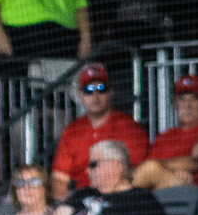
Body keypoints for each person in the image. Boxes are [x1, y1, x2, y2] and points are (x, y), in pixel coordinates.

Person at [49, 64, 149, 201]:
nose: (95, 95)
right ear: (80, 95)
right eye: (88, 90)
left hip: (115, 197)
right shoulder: (72, 130)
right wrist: (64, 202)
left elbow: (133, 174)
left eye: (101, 88)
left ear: (111, 92)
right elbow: (59, 177)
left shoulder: (129, 127)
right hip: (79, 197)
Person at [129, 76, 198, 193]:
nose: (187, 105)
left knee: (151, 168)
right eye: (182, 99)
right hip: (163, 191)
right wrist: (171, 170)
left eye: (194, 99)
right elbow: (145, 170)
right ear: (175, 104)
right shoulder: (164, 136)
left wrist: (160, 167)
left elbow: (196, 162)